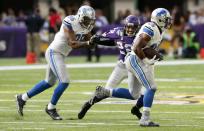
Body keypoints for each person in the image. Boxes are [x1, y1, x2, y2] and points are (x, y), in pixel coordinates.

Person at [80, 8, 172, 127]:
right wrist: (146, 61)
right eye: (166, 20)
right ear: (159, 20)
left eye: (133, 27)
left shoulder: (157, 30)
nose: (130, 29)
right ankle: (145, 118)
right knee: (151, 87)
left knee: (134, 94)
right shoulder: (150, 28)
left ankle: (107, 92)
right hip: (133, 60)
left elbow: (146, 47)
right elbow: (136, 47)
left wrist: (154, 55)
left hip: (135, 60)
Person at [15, 5, 96, 120]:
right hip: (54, 52)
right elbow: (72, 43)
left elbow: (91, 44)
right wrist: (88, 43)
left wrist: (95, 41)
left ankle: (22, 98)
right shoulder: (70, 21)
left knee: (49, 82)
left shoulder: (86, 26)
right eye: (87, 19)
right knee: (65, 81)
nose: (88, 22)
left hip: (61, 54)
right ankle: (50, 108)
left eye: (90, 20)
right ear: (80, 17)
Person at [78, 15, 144, 120]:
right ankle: (88, 104)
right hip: (122, 66)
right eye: (129, 27)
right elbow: (108, 39)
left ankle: (136, 109)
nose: (130, 29)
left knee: (145, 92)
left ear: (138, 27)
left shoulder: (142, 36)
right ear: (125, 26)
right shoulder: (119, 32)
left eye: (133, 27)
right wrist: (96, 39)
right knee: (106, 91)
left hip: (136, 67)